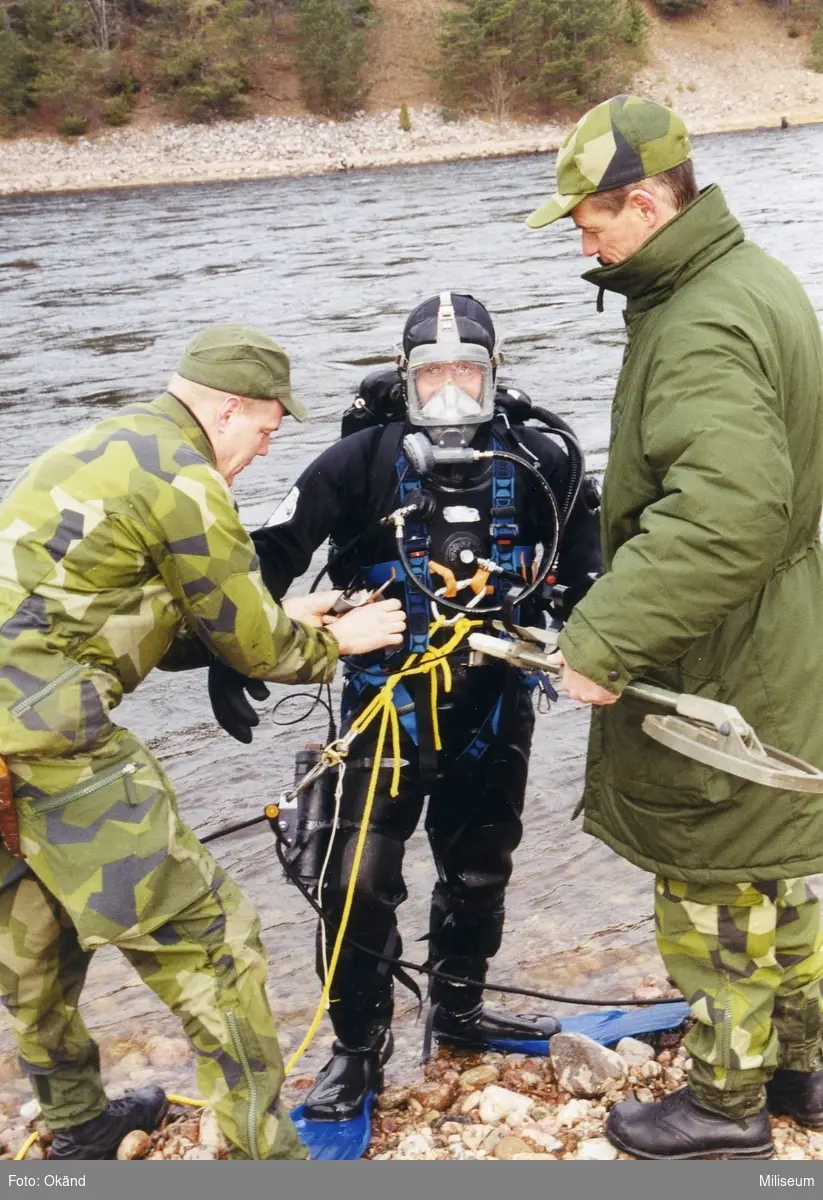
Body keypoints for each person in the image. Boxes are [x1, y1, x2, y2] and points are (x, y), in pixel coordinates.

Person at [0, 324, 406, 1161]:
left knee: (32, 937)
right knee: (214, 943)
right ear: (228, 408)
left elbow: (119, 610)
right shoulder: (184, 478)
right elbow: (256, 648)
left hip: (4, 752)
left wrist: (283, 614)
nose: (262, 450)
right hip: (50, 742)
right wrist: (342, 640)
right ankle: (270, 1161)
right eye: (264, 430)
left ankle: (76, 1125)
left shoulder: (109, 445)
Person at [217, 293, 601, 1122]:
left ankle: (458, 1013)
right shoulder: (356, 461)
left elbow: (588, 578)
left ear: (495, 375)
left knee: (478, 864)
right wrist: (233, 656)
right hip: (383, 703)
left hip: (495, 702)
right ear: (406, 377)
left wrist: (596, 651)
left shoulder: (544, 460)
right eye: (434, 374)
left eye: (469, 372)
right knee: (355, 878)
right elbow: (265, 561)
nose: (452, 391)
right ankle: (357, 1050)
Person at [526, 95, 823, 1159]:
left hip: (724, 653)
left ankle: (724, 1108)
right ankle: (799, 1067)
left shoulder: (698, 321)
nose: (579, 235)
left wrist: (599, 642)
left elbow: (728, 511)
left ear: (646, 202)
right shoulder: (747, 276)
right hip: (778, 634)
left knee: (714, 870)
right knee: (774, 863)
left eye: (589, 217)